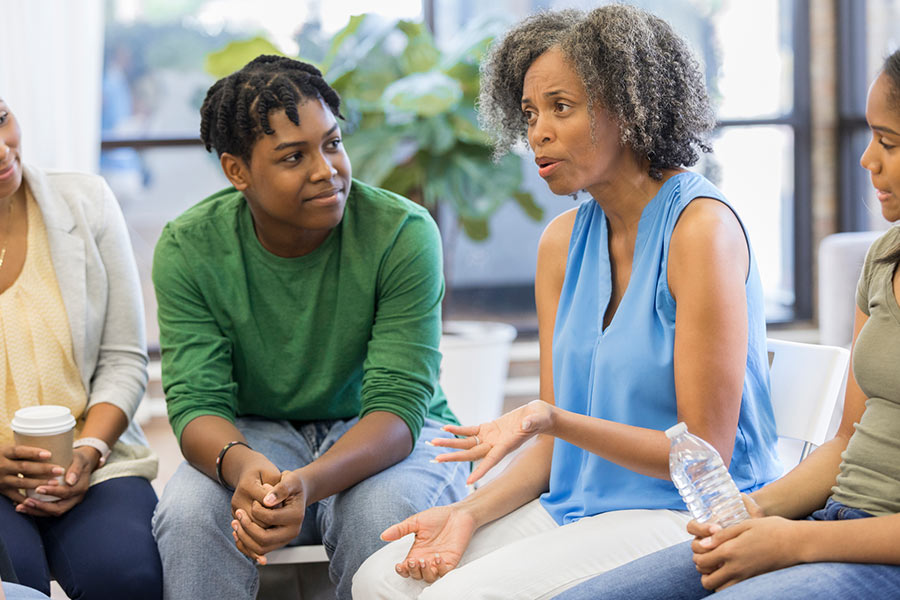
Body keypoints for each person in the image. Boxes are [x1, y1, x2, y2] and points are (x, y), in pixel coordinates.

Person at [352, 6, 782, 599]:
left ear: (630, 109)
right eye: (529, 113)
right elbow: (554, 443)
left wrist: (548, 418)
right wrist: (468, 515)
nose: (537, 132)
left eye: (562, 106)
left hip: (691, 514)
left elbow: (702, 453)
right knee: (378, 581)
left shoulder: (701, 230)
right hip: (580, 505)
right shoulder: (561, 244)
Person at [553, 49, 900, 600]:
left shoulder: (700, 223)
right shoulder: (884, 260)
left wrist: (795, 544)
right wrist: (751, 511)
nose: (866, 159)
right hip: (831, 519)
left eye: (889, 142)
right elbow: (846, 442)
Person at [150, 55, 469, 600]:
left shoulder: (402, 233)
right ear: (237, 171)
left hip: (384, 434)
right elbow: (196, 402)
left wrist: (307, 483)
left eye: (333, 143)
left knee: (385, 515)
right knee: (187, 514)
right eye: (294, 156)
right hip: (260, 432)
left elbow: (397, 408)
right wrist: (241, 463)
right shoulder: (189, 247)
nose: (327, 169)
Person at [0, 98, 162, 599]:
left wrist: (88, 451)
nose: (2, 149)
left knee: (126, 575)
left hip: (96, 458)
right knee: (13, 580)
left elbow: (123, 358)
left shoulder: (86, 202)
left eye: (0, 118)